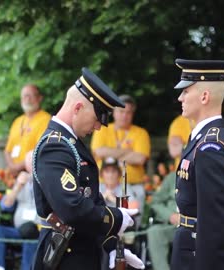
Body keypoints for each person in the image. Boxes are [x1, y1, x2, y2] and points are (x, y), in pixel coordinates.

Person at [31, 68, 144, 270]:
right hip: (64, 255)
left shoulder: (71, 143)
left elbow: (90, 197)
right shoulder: (54, 146)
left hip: (80, 249)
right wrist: (116, 218)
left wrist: (109, 244)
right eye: (97, 117)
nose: (99, 126)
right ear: (77, 108)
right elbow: (72, 207)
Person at [170, 59, 224, 270]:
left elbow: (215, 222)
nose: (180, 97)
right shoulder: (202, 138)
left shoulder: (211, 147)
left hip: (199, 254)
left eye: (186, 91)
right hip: (190, 248)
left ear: (204, 96)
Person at [90, 94, 151, 211]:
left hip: (133, 185)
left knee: (137, 203)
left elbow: (140, 158)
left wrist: (111, 152)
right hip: (104, 184)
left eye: (128, 112)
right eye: (121, 111)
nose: (124, 115)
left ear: (132, 114)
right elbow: (98, 151)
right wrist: (128, 152)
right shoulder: (102, 129)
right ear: (113, 112)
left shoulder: (141, 133)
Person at [0, 151, 38, 270]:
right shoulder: (19, 181)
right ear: (25, 165)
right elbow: (5, 206)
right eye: (29, 162)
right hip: (19, 230)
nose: (32, 164)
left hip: (37, 230)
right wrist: (17, 187)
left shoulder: (46, 181)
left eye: (34, 161)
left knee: (30, 234)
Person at [4, 84, 51, 178]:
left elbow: (41, 149)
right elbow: (7, 150)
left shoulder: (46, 120)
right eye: (25, 96)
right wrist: (12, 167)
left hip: (32, 175)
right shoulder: (17, 121)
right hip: (13, 176)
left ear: (39, 98)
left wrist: (17, 167)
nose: (27, 99)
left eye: (31, 96)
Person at [146, 171, 177, 270]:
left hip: (197, 227)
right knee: (154, 232)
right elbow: (155, 202)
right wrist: (169, 215)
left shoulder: (206, 176)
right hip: (172, 226)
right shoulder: (173, 177)